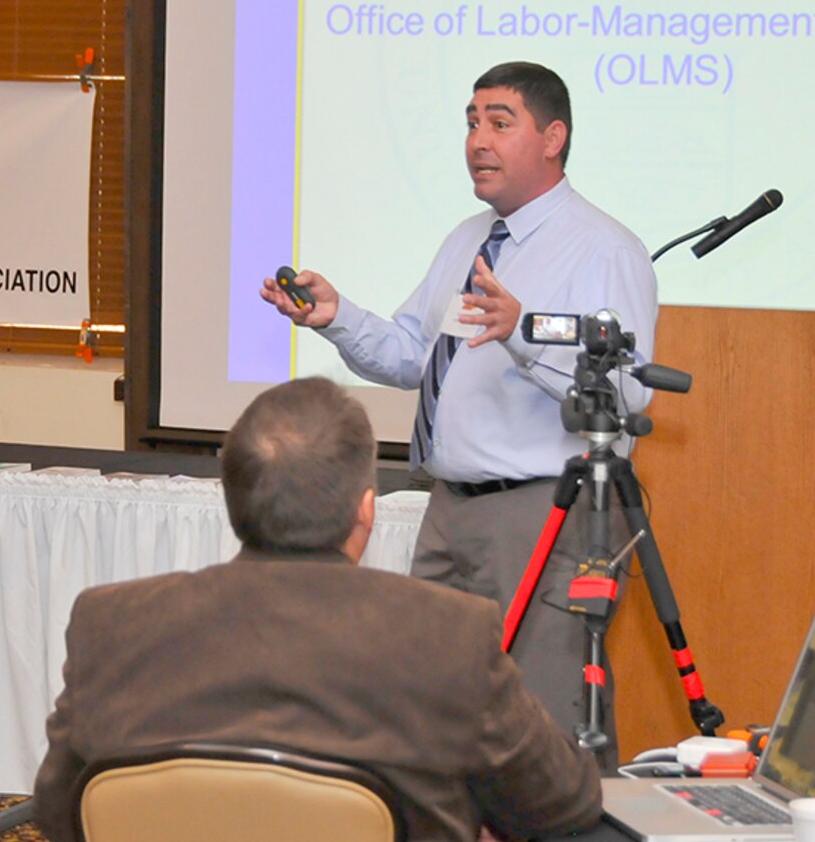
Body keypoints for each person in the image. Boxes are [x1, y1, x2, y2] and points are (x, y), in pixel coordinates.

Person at [33, 378, 601, 842]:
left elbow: (62, 816)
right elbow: (564, 800)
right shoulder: (447, 633)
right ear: (367, 510)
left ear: (232, 501)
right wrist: (472, 813)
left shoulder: (112, 623)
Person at [259, 61, 657, 755]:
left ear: (553, 137)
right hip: (449, 508)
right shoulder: (469, 239)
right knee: (433, 706)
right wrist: (335, 317)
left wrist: (525, 335)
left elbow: (626, 394)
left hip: (544, 511)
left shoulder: (604, 249)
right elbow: (414, 353)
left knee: (546, 722)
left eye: (500, 124)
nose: (478, 140)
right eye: (472, 122)